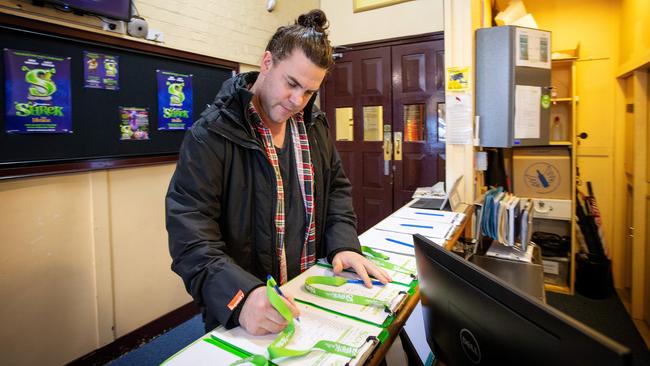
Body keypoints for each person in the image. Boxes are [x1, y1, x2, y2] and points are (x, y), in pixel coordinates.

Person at [165, 9, 390, 336]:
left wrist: (343, 245)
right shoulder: (211, 135)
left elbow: (337, 191)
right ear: (267, 63)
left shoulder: (314, 126)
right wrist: (242, 298)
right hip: (247, 309)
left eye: (310, 91)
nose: (298, 100)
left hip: (308, 294)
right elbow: (191, 237)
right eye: (292, 83)